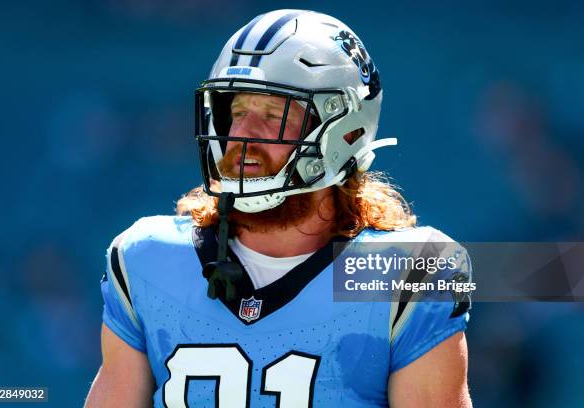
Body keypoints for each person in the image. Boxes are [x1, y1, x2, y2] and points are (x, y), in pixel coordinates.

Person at [85, 9, 473, 408]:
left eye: (274, 114)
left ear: (344, 129)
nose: (243, 134)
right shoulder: (147, 258)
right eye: (235, 112)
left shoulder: (408, 273)